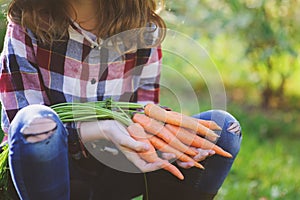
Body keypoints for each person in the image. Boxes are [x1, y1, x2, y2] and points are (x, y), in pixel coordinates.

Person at [0, 0, 242, 199]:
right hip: (44, 172)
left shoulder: (143, 29)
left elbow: (144, 110)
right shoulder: (26, 24)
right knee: (38, 126)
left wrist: (156, 132)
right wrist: (99, 128)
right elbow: (23, 127)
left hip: (112, 165)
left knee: (223, 132)